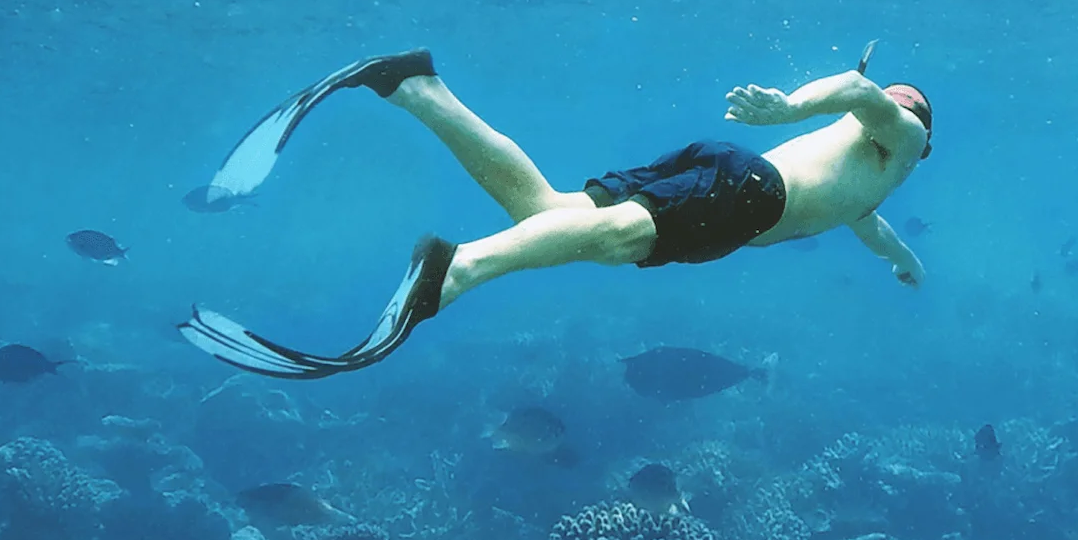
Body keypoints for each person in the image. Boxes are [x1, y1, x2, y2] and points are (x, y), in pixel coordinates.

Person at [179, 48, 932, 379]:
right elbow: (863, 94)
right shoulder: (904, 135)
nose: (898, 109)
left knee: (545, 209)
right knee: (610, 241)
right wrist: (789, 106)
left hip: (730, 170)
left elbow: (867, 225)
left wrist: (903, 260)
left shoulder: (871, 185)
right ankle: (456, 270)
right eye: (902, 103)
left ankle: (415, 86)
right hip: (752, 193)